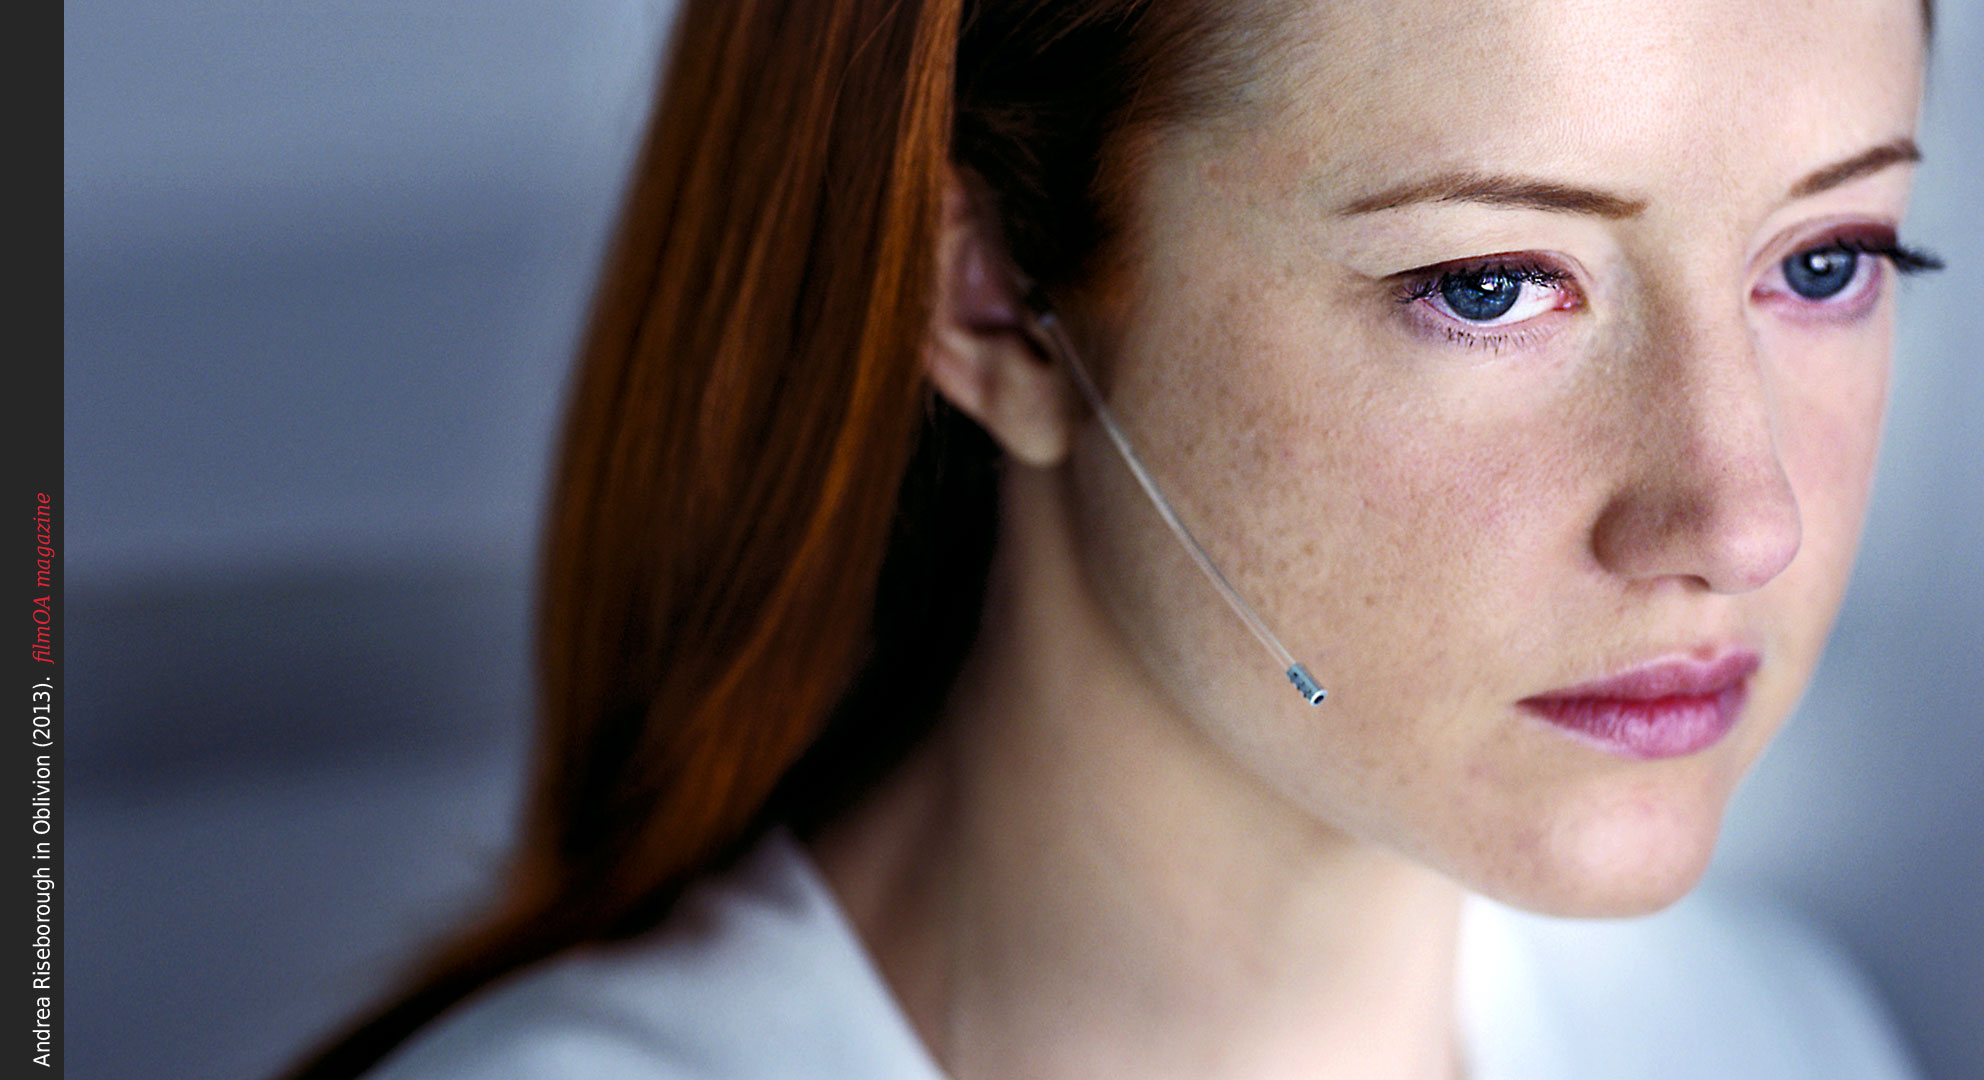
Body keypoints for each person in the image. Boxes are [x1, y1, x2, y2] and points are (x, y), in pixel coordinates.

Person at [283, 0, 1943, 1076]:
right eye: (1487, 285)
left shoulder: (1769, 1033)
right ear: (993, 298)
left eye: (1825, 262)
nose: (1742, 518)